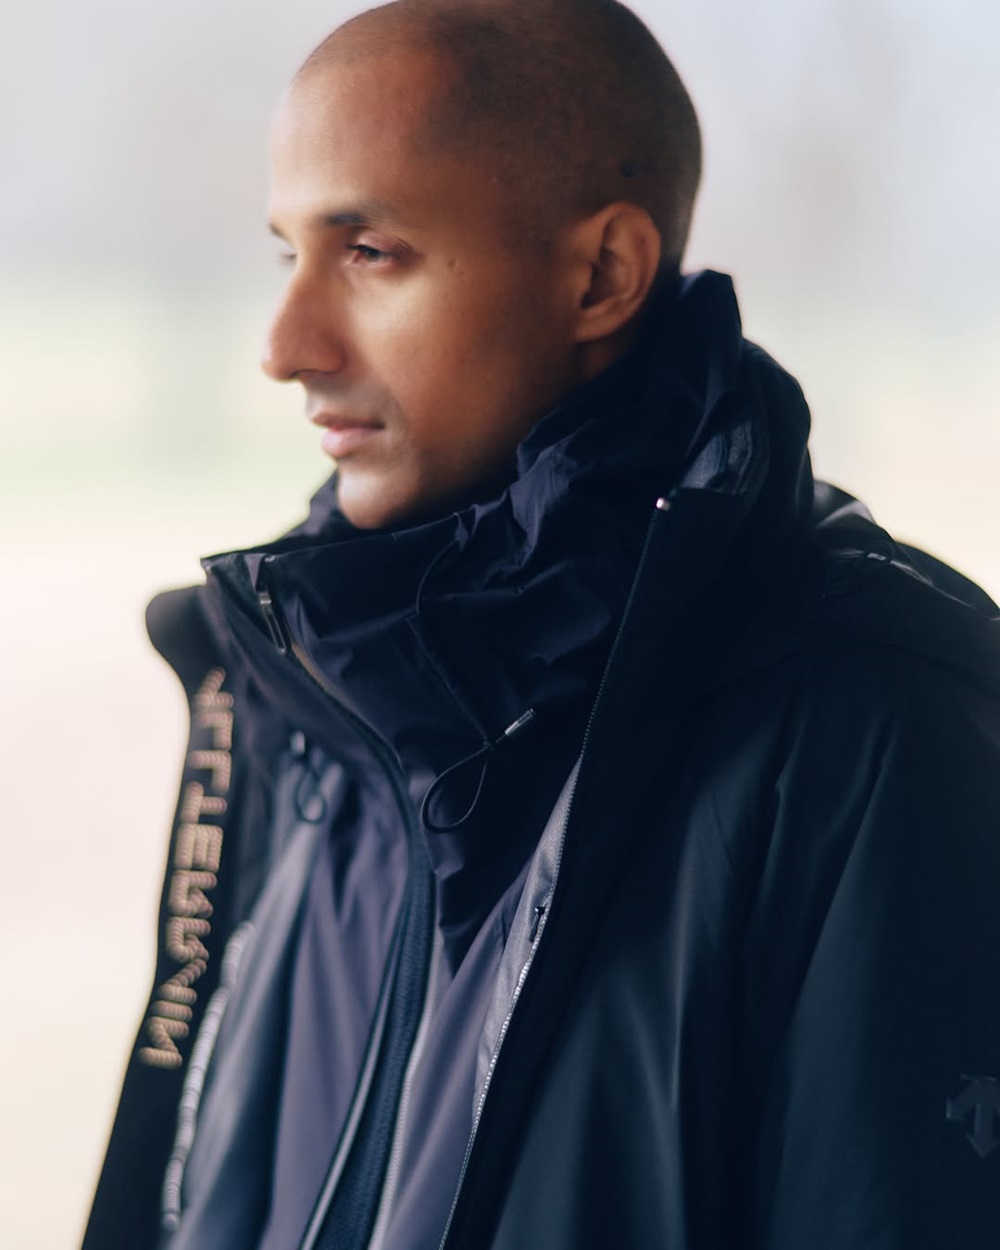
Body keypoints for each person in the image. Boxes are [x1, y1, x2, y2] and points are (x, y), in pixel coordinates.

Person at [84, 1, 1000, 1247]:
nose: (286, 346)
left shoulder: (872, 716)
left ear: (602, 274)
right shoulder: (296, 682)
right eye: (287, 253)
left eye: (370, 252)